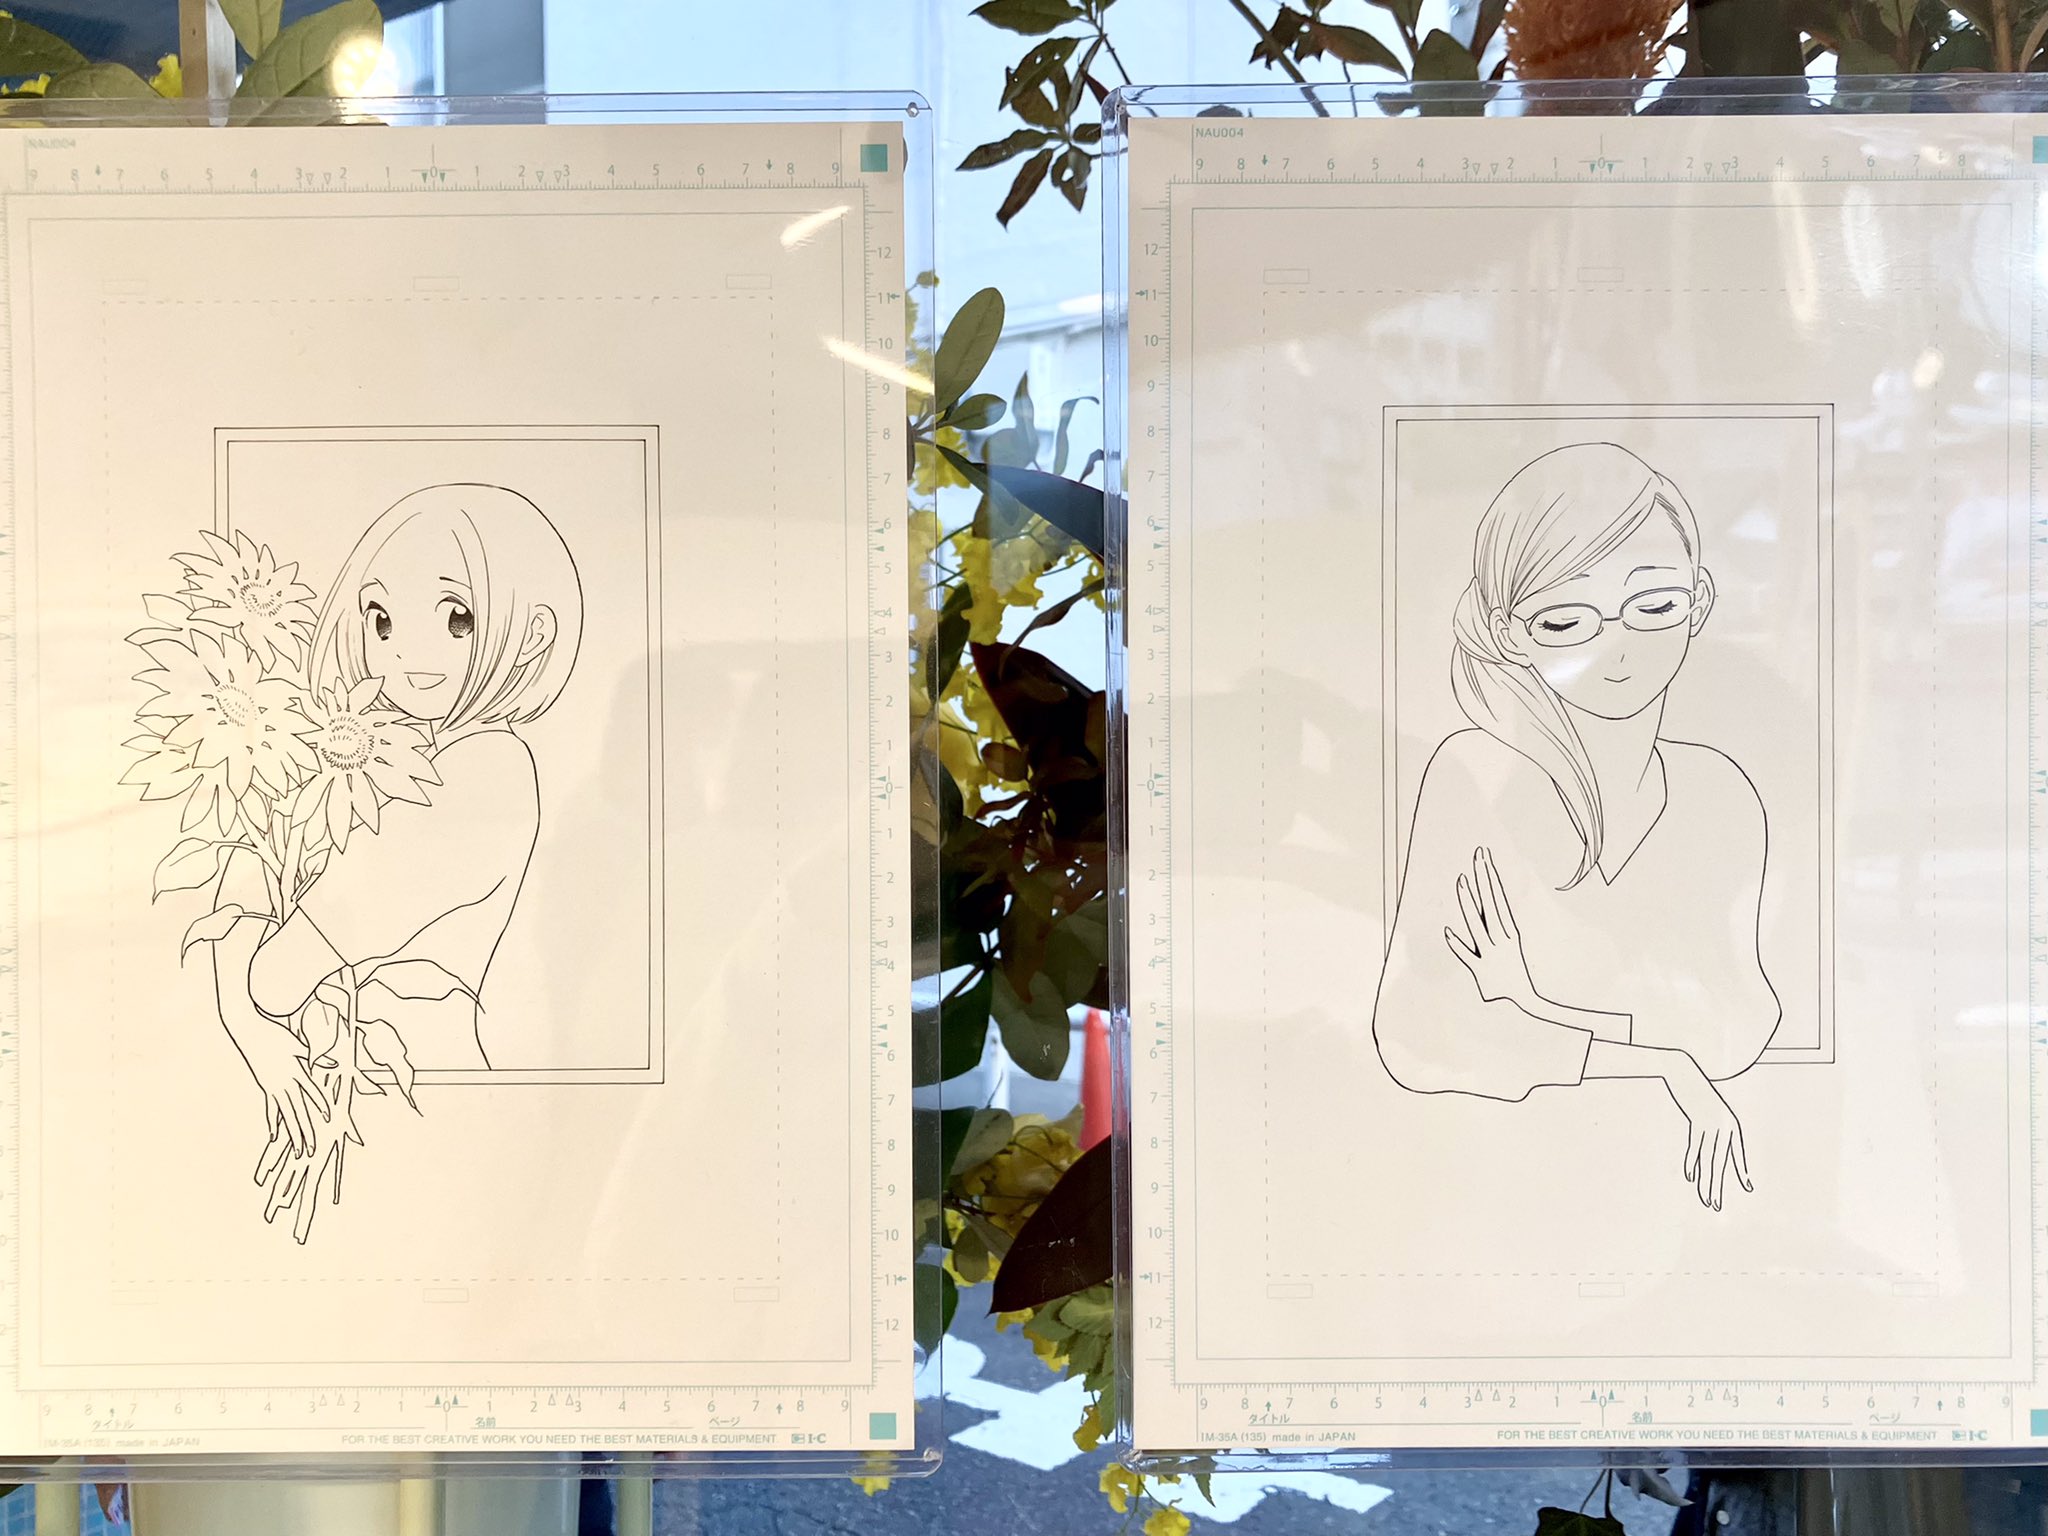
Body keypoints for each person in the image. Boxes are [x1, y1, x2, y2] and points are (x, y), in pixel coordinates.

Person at [1370, 443, 1780, 1210]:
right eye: (1565, 618)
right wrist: (1664, 1057)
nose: (1617, 644)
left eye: (1653, 606)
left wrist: (1537, 1009)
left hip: (1673, 1188)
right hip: (1490, 1185)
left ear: (1699, 600)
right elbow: (1417, 1033)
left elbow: (1745, 1020)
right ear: (1511, 632)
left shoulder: (1721, 791)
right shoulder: (1471, 775)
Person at [212, 483, 583, 1150]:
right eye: (382, 620)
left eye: (457, 618)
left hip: (422, 1108)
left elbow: (277, 975)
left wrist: (248, 1008)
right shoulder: (391, 760)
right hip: (366, 1093)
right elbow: (247, 884)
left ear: (532, 636)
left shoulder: (488, 771)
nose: (407, 652)